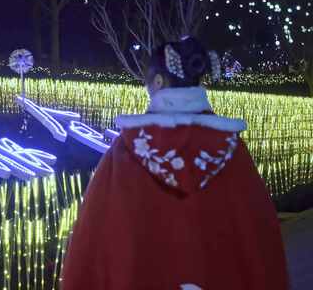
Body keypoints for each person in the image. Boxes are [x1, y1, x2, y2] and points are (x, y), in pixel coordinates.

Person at [60, 37, 289, 290]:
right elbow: (260, 240)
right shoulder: (232, 150)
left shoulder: (126, 150)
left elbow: (92, 241)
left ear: (158, 82)